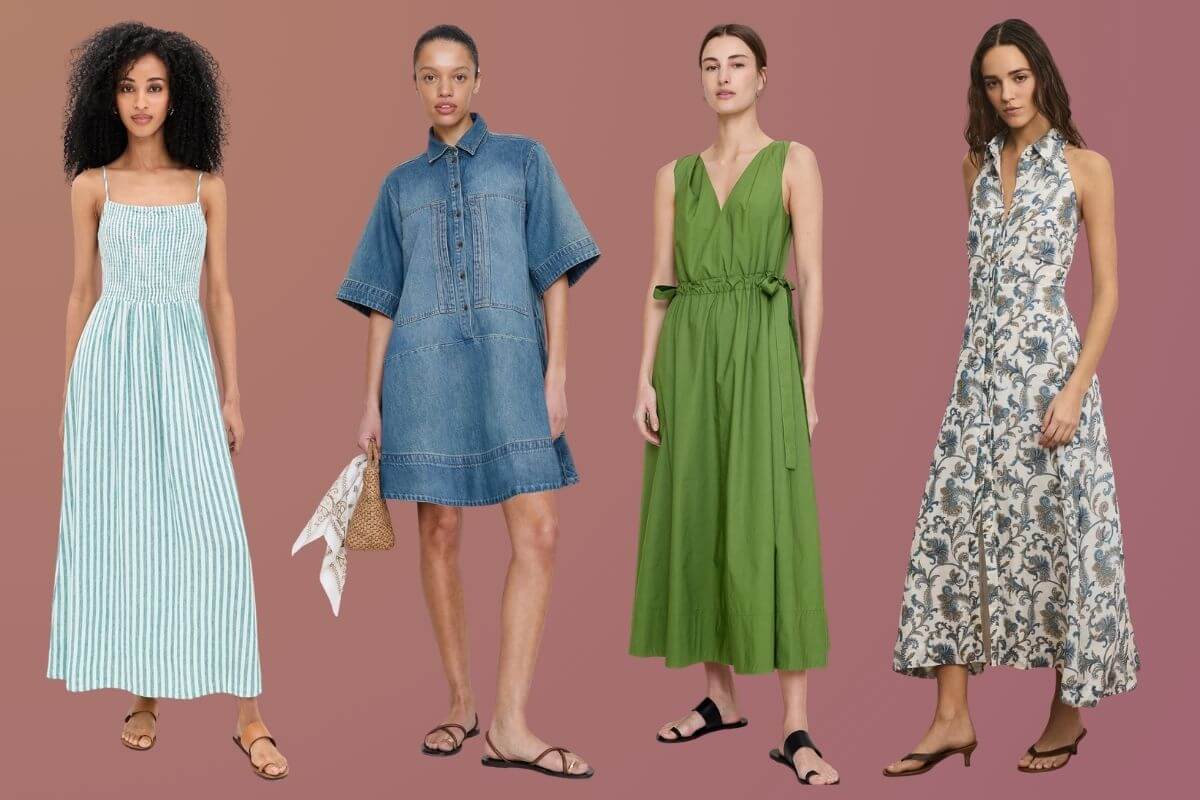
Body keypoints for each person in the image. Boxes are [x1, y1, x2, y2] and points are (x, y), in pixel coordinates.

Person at [336, 24, 599, 780]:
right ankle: (461, 704)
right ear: (415, 85)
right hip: (420, 372)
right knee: (440, 532)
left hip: (514, 365)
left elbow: (554, 270)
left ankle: (511, 723)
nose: (444, 89)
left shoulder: (524, 159)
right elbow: (382, 300)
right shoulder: (400, 186)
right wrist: (369, 403)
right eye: (429, 76)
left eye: (457, 75)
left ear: (479, 80)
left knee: (538, 532)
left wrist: (557, 376)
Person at [885, 18, 1138, 778]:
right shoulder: (973, 165)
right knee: (951, 534)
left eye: (1019, 78)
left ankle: (1069, 712)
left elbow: (1108, 293)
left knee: (1064, 535)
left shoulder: (1087, 167)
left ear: (1042, 76)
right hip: (978, 382)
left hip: (1051, 379)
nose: (1007, 94)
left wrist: (1073, 390)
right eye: (993, 82)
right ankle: (950, 719)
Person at [49, 21, 288, 780]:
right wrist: (70, 399)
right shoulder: (92, 185)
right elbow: (80, 294)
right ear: (106, 97)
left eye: (154, 87)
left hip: (183, 366)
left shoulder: (205, 187)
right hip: (109, 372)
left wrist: (233, 394)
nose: (141, 101)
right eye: (126, 87)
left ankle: (249, 716)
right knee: (135, 536)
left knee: (216, 536)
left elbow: (218, 295)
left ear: (177, 95)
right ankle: (144, 697)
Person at [628, 23, 838, 787]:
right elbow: (660, 283)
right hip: (688, 353)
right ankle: (720, 698)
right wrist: (643, 379)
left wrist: (808, 379)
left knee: (771, 521)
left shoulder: (793, 161)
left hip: (761, 351)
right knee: (700, 514)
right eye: (711, 66)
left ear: (763, 77)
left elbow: (809, 277)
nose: (723, 77)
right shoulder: (673, 175)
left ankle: (796, 724)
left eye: (737, 64)